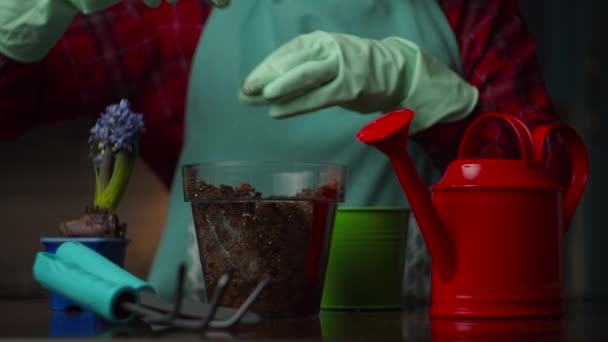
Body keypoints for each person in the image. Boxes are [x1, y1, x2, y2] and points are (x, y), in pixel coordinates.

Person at [0, 0, 571, 304]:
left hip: (397, 324)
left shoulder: (466, 10)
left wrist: (448, 105)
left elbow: (544, 203)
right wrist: (22, 14)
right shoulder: (177, 9)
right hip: (192, 323)